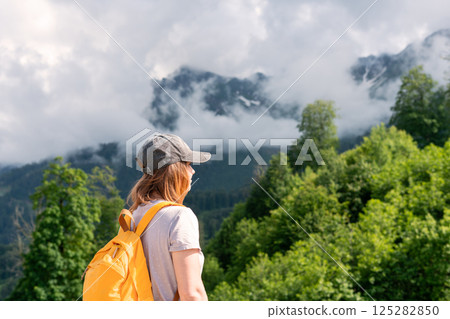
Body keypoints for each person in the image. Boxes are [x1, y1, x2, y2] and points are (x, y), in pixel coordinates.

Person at [127, 133, 210, 301]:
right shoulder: (179, 217)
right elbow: (192, 293)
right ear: (175, 169)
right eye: (187, 164)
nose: (192, 171)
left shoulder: (133, 217)